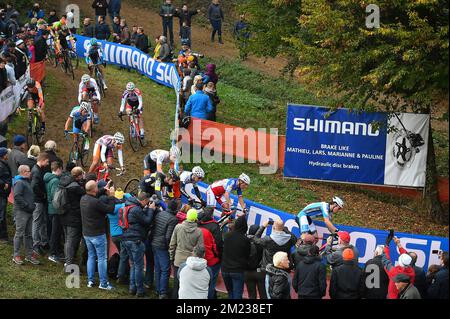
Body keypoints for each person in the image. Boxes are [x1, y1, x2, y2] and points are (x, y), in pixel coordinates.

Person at [80, 180, 116, 290]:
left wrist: (104, 189)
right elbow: (111, 209)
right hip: (98, 234)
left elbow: (94, 194)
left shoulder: (83, 199)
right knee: (102, 258)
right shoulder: (96, 203)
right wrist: (111, 196)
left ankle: (90, 281)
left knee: (91, 256)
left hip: (87, 233)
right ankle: (103, 283)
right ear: (94, 189)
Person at [121, 191, 155, 297]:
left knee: (133, 265)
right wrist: (150, 210)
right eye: (147, 202)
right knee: (138, 266)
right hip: (135, 240)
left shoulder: (130, 206)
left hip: (127, 238)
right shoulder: (136, 209)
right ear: (144, 200)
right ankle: (140, 290)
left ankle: (132, 288)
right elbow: (147, 221)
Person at [253, 219, 297, 297]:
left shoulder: (267, 239)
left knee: (269, 293)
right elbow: (295, 239)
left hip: (270, 269)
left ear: (273, 227)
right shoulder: (290, 239)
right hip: (284, 268)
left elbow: (255, 239)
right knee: (284, 292)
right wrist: (284, 228)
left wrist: (263, 226)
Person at [169, 208, 204, 299]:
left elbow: (172, 244)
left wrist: (171, 257)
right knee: (188, 285)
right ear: (196, 218)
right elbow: (200, 248)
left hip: (178, 259)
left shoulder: (178, 227)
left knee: (177, 284)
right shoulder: (198, 231)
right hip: (191, 262)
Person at [151, 199, 179, 299]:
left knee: (158, 268)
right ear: (176, 208)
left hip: (154, 243)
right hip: (162, 246)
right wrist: (169, 248)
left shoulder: (160, 214)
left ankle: (159, 289)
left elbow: (153, 228)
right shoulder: (173, 219)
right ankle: (163, 292)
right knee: (165, 269)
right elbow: (168, 237)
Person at [60, 167, 85, 268]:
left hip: (64, 215)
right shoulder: (75, 187)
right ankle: (69, 263)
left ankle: (68, 260)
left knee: (67, 239)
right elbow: (87, 193)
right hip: (73, 218)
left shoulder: (65, 182)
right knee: (71, 241)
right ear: (79, 176)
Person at [12, 165, 38, 265]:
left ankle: (29, 255)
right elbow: (17, 196)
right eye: (28, 171)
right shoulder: (19, 182)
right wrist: (27, 206)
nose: (30, 172)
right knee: (19, 234)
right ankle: (16, 255)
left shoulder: (26, 181)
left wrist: (32, 205)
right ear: (23, 172)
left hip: (29, 211)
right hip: (21, 212)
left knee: (28, 234)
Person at [221, 215, 250, 299]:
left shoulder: (227, 236)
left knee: (230, 292)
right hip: (238, 270)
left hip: (225, 269)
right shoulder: (245, 240)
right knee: (237, 293)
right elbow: (247, 254)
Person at [197, 207, 221, 299]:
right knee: (211, 282)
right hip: (211, 259)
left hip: (198, 257)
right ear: (211, 215)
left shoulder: (198, 225)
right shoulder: (214, 226)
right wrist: (219, 256)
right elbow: (218, 244)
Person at [44, 161, 64, 263]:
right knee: (55, 233)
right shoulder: (55, 181)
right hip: (55, 210)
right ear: (58, 169)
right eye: (62, 169)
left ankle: (55, 251)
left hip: (50, 208)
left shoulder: (48, 178)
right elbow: (55, 197)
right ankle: (53, 254)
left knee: (53, 231)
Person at [31, 152, 50, 256]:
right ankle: (35, 245)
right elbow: (34, 186)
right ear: (42, 160)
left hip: (40, 200)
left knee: (42, 221)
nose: (47, 164)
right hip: (37, 200)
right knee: (37, 222)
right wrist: (43, 195)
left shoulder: (39, 169)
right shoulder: (36, 171)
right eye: (47, 162)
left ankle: (43, 242)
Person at [245, 225, 267, 299]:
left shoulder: (244, 242)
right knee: (263, 294)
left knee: (251, 295)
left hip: (247, 272)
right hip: (260, 271)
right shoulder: (261, 243)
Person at [0, 147, 12, 243]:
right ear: (4, 156)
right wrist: (4, 184)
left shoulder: (4, 164)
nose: (8, 155)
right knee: (1, 215)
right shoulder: (1, 165)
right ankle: (3, 237)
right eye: (7, 154)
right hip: (1, 194)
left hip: (3, 194)